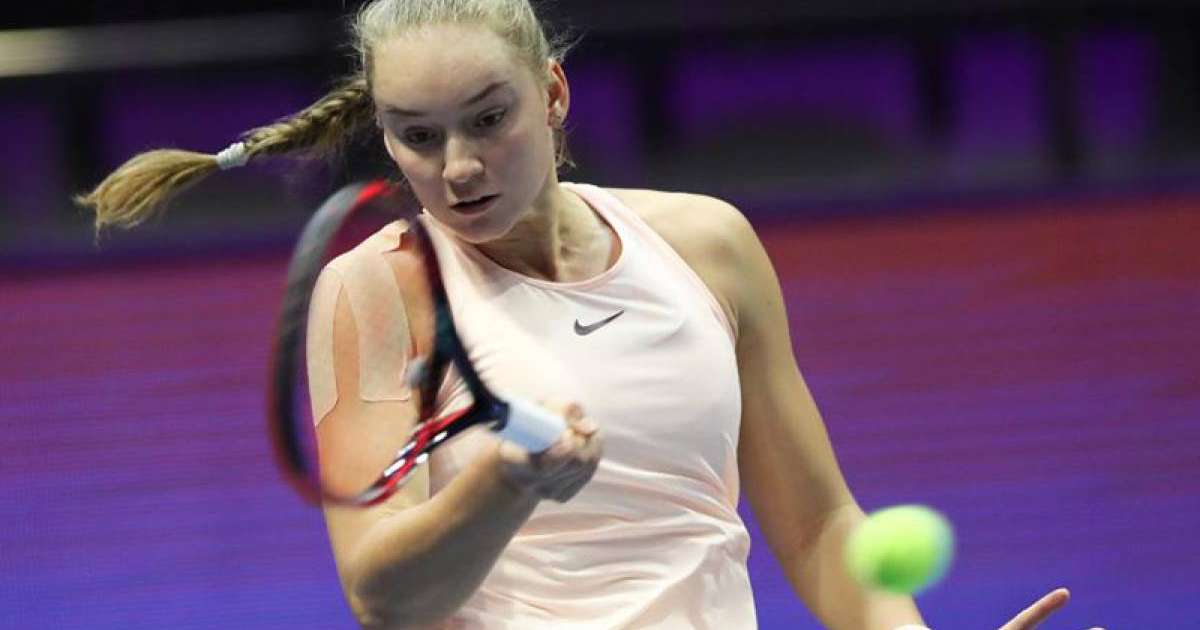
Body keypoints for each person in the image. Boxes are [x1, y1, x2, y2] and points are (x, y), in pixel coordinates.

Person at [78, 1, 1093, 629]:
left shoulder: (707, 245)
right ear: (384, 138)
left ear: (552, 93)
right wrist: (507, 488)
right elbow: (384, 600)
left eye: (490, 118)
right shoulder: (378, 292)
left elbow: (821, 524)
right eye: (418, 136)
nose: (459, 167)